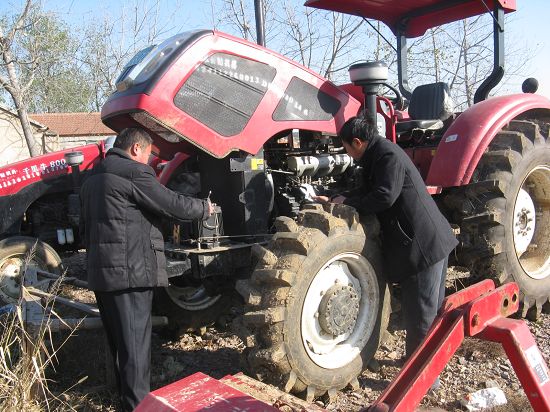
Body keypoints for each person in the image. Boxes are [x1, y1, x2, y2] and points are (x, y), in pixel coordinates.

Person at [80, 127, 214, 411]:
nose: (149, 162)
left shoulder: (93, 177)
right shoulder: (133, 172)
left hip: (102, 274)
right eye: (149, 154)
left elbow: (85, 227)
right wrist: (205, 208)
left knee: (119, 344)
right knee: (136, 351)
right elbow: (171, 204)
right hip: (130, 274)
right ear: (136, 149)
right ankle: (137, 406)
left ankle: (123, 400)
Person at [313, 116, 458, 360]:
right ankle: (424, 364)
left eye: (346, 147)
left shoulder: (387, 155)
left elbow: (384, 196)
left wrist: (348, 203)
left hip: (422, 245)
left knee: (423, 314)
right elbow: (368, 190)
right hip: (425, 242)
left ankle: (422, 378)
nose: (346, 152)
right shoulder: (378, 154)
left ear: (357, 142)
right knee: (428, 311)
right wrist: (336, 196)